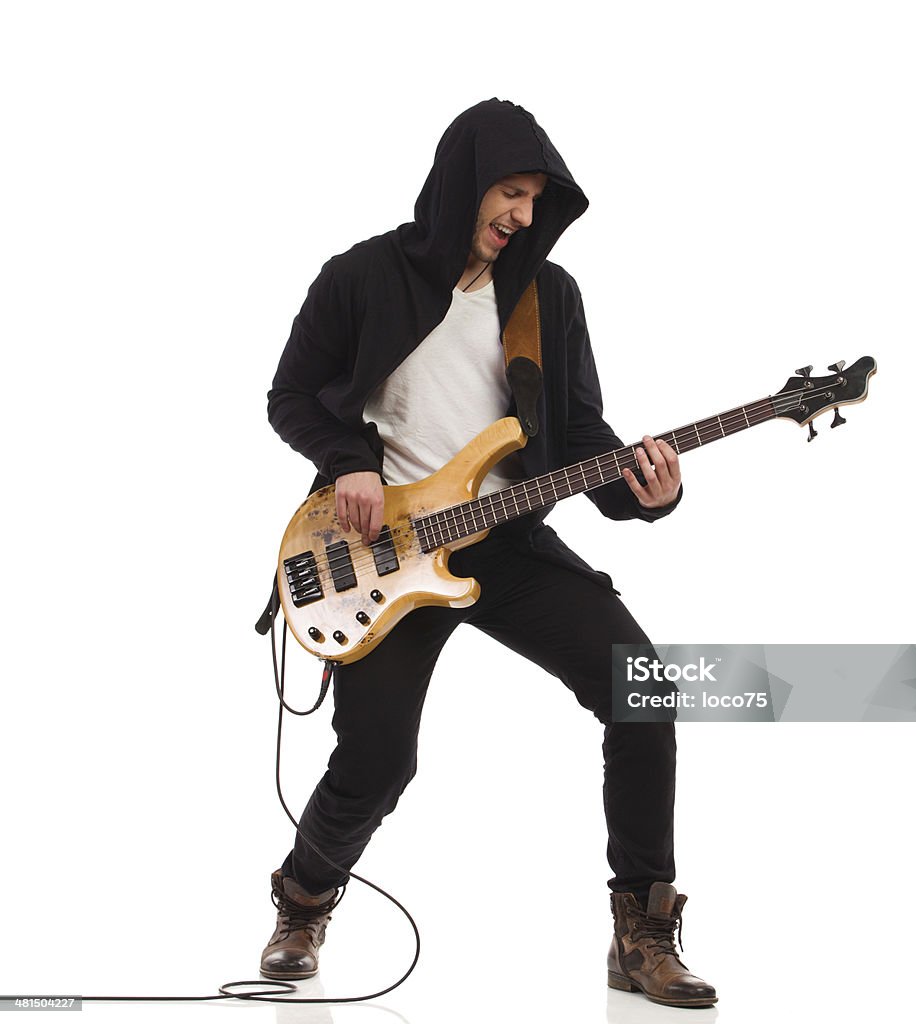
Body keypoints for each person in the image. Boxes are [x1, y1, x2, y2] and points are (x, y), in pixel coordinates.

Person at [260, 98, 717, 1009]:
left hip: (504, 537)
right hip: (382, 546)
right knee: (378, 759)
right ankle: (302, 904)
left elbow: (581, 432)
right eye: (509, 192)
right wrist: (348, 461)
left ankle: (642, 930)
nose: (521, 214)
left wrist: (643, 493)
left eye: (535, 199)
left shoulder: (549, 296)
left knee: (643, 690)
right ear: (465, 182)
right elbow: (289, 395)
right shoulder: (359, 277)